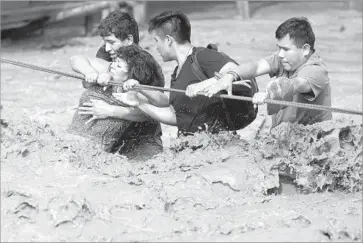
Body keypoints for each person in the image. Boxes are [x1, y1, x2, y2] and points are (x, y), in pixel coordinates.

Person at [122, 11, 257, 136]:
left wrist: (203, 84)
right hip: (192, 145)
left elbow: (235, 71)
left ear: (168, 40)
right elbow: (176, 117)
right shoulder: (177, 73)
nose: (156, 47)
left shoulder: (204, 56)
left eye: (156, 41)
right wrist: (139, 101)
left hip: (218, 145)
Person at [186, 17, 332, 128]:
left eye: (286, 49)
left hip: (314, 143)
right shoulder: (282, 59)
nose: (280, 54)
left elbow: (296, 85)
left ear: (305, 49)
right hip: (285, 135)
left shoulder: (316, 70)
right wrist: (230, 76)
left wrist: (270, 94)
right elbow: (255, 67)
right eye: (279, 48)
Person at [67, 10, 167, 159]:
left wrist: (110, 110)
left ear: (129, 39)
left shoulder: (146, 66)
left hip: (142, 141)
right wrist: (91, 73)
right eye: (105, 42)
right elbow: (76, 60)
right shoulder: (110, 54)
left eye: (111, 42)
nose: (107, 48)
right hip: (113, 138)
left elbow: (156, 112)